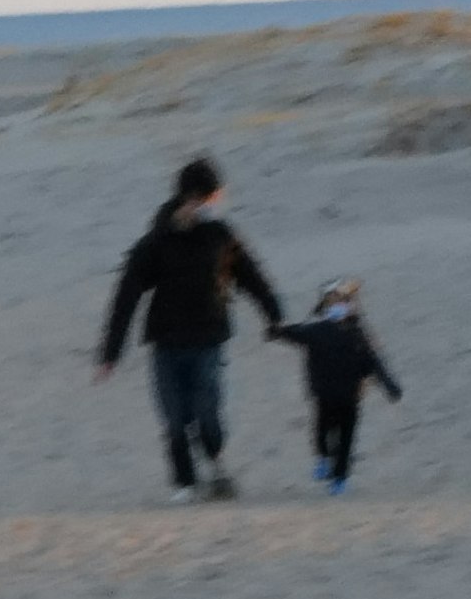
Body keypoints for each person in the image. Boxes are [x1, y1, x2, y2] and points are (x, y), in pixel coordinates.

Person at [99, 154, 281, 496]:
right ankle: (184, 484)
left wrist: (274, 315)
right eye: (212, 197)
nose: (218, 203)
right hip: (166, 344)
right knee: (175, 419)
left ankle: (215, 464)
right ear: (193, 198)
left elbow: (251, 276)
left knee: (207, 413)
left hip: (209, 340)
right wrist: (111, 351)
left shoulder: (221, 234)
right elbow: (127, 293)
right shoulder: (156, 241)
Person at [287, 278, 403, 488]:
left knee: (346, 437)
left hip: (351, 395)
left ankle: (340, 478)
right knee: (323, 430)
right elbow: (295, 333)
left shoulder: (358, 335)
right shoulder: (317, 331)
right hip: (324, 393)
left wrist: (389, 384)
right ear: (324, 307)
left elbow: (374, 362)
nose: (338, 306)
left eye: (343, 301)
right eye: (332, 302)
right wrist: (277, 330)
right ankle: (323, 458)